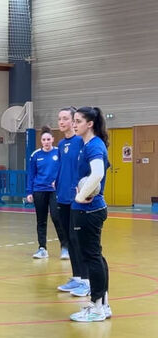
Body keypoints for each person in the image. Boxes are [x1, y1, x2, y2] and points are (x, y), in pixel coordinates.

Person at [69, 107, 111, 322]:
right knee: (96, 256)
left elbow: (98, 174)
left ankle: (96, 308)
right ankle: (103, 303)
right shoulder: (87, 145)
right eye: (73, 121)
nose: (74, 124)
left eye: (78, 121)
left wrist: (80, 197)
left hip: (89, 210)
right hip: (91, 209)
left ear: (90, 124)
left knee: (91, 257)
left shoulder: (94, 146)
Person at [54, 107, 91, 295]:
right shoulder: (61, 144)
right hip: (62, 196)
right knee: (69, 239)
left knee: (78, 239)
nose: (61, 122)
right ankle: (76, 278)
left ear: (73, 121)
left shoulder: (81, 141)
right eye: (59, 118)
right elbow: (63, 167)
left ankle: (86, 280)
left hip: (76, 198)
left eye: (65, 118)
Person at [26, 127, 66, 259]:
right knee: (41, 220)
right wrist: (29, 192)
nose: (46, 142)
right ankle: (42, 248)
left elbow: (64, 169)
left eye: (49, 139)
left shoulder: (59, 152)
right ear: (41, 141)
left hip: (55, 191)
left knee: (56, 217)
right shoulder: (35, 155)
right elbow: (31, 174)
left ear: (53, 140)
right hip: (39, 190)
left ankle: (65, 247)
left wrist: (59, 181)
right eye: (44, 139)